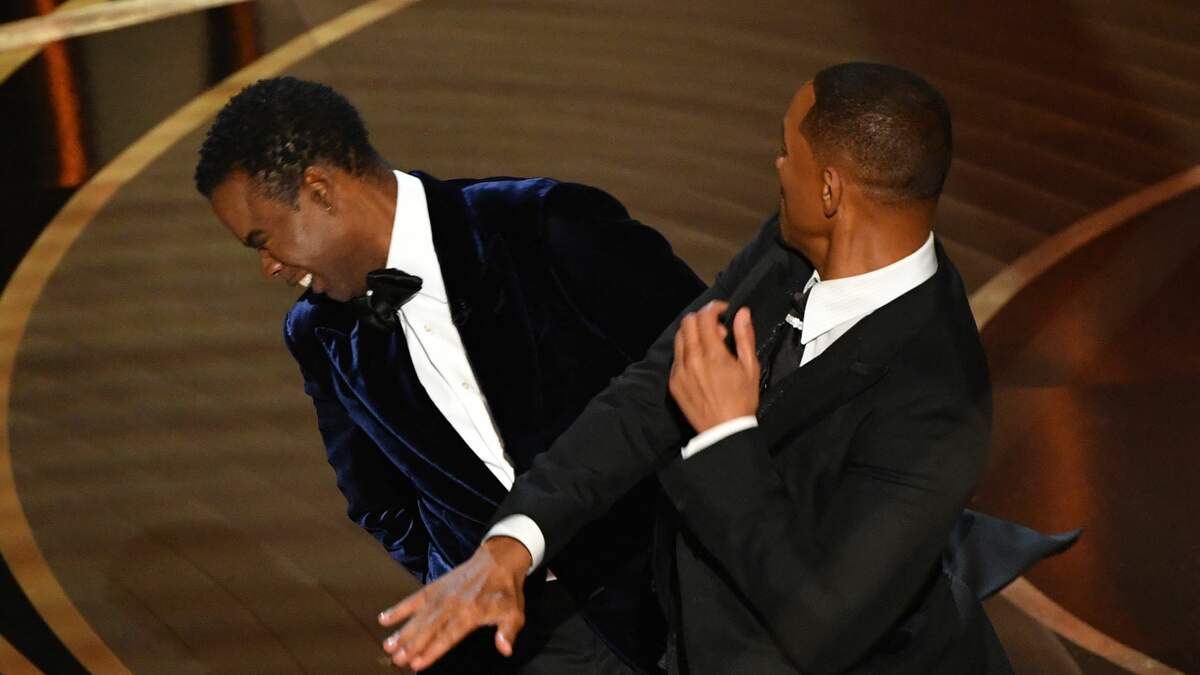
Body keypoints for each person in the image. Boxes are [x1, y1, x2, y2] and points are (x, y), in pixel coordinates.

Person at [378, 63, 1074, 674]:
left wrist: (725, 436)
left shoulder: (939, 399)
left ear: (830, 191)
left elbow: (824, 625)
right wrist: (512, 543)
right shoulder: (790, 246)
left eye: (787, 149)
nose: (776, 165)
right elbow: (648, 393)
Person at [193, 76, 709, 674]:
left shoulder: (546, 225)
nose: (268, 267)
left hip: (673, 601)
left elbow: (712, 362)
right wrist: (464, 573)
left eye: (264, 241)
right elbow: (378, 501)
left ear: (320, 190)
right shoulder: (316, 334)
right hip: (517, 645)